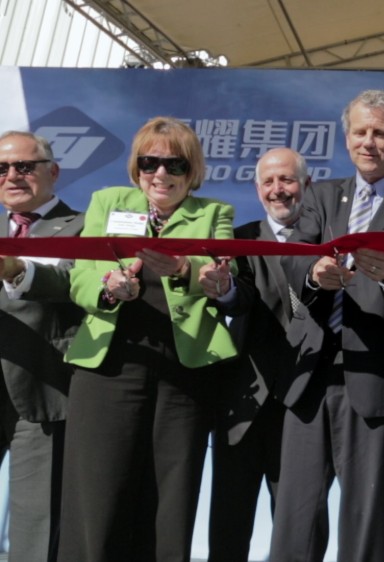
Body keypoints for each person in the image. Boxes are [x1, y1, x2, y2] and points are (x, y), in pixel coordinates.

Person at [271, 89, 384, 562]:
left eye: (380, 133)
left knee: (364, 516)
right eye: (360, 132)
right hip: (313, 369)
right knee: (294, 515)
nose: (369, 142)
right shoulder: (321, 195)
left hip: (382, 371)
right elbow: (294, 257)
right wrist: (314, 273)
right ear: (347, 138)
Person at [58, 116, 239, 561]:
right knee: (97, 499)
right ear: (136, 167)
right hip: (108, 368)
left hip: (184, 375)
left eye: (175, 165)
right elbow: (80, 276)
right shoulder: (107, 202)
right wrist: (108, 287)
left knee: (169, 504)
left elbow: (224, 271)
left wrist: (186, 269)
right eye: (149, 162)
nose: (160, 174)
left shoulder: (214, 213)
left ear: (192, 171)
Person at [208, 147, 308, 561]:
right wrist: (224, 289)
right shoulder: (239, 240)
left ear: (307, 184)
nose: (277, 189)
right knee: (228, 528)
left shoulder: (328, 242)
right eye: (268, 181)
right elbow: (238, 297)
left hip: (305, 405)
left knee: (297, 532)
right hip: (243, 401)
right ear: (257, 189)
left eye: (287, 179)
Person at [0, 131, 84, 562]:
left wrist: (16, 269)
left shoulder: (83, 227)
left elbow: (77, 284)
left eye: (24, 166)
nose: (12, 176)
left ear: (53, 171)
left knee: (36, 526)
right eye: (2, 168)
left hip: (45, 389)